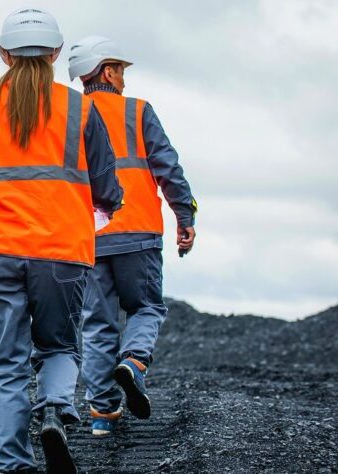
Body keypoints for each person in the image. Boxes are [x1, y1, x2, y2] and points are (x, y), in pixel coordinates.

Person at [0, 9, 123, 473]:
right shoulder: (81, 109)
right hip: (62, 250)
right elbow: (108, 189)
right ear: (57, 53)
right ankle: (53, 407)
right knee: (60, 347)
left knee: (6, 364)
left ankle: (13, 465)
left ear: (3, 53)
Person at [67, 36, 197, 436]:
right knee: (145, 308)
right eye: (121, 69)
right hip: (139, 232)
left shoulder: (68, 115)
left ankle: (102, 415)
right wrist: (184, 213)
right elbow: (167, 167)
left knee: (98, 324)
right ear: (108, 71)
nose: (123, 78)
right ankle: (134, 363)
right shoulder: (138, 111)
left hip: (87, 236)